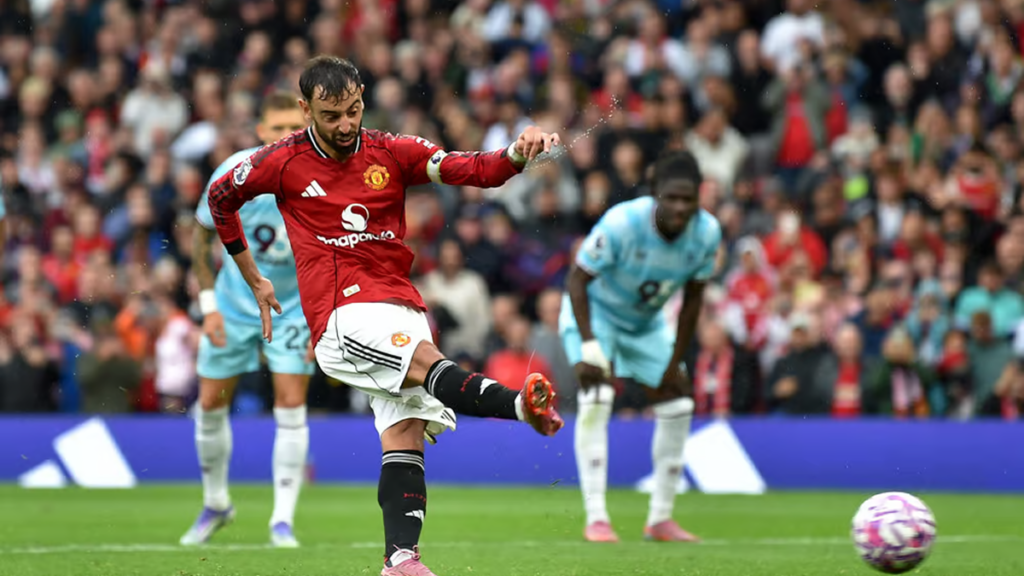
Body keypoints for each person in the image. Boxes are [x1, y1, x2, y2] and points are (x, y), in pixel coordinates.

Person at [206, 56, 564, 576]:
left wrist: (517, 150)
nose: (346, 125)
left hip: (400, 302)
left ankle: (400, 559)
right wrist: (253, 276)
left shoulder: (393, 151)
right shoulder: (280, 161)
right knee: (425, 362)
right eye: (332, 116)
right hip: (342, 314)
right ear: (306, 109)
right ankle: (519, 408)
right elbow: (220, 197)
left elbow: (475, 170)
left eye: (353, 110)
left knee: (404, 430)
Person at [561, 149, 722, 543]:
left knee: (680, 402)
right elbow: (577, 281)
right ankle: (597, 517)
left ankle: (661, 519)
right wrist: (590, 345)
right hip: (597, 315)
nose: (681, 207)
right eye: (672, 197)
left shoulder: (707, 233)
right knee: (597, 396)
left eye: (689, 199)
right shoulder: (623, 222)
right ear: (655, 193)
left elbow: (694, 299)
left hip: (647, 324)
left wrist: (675, 361)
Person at [180, 92, 312, 548]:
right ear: (260, 133)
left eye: (293, 128)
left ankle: (282, 521)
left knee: (291, 404)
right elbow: (200, 241)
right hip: (234, 306)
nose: (285, 137)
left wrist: (325, 316)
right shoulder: (234, 174)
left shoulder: (321, 177)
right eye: (276, 129)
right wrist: (209, 308)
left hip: (293, 306)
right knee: (211, 404)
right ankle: (216, 502)